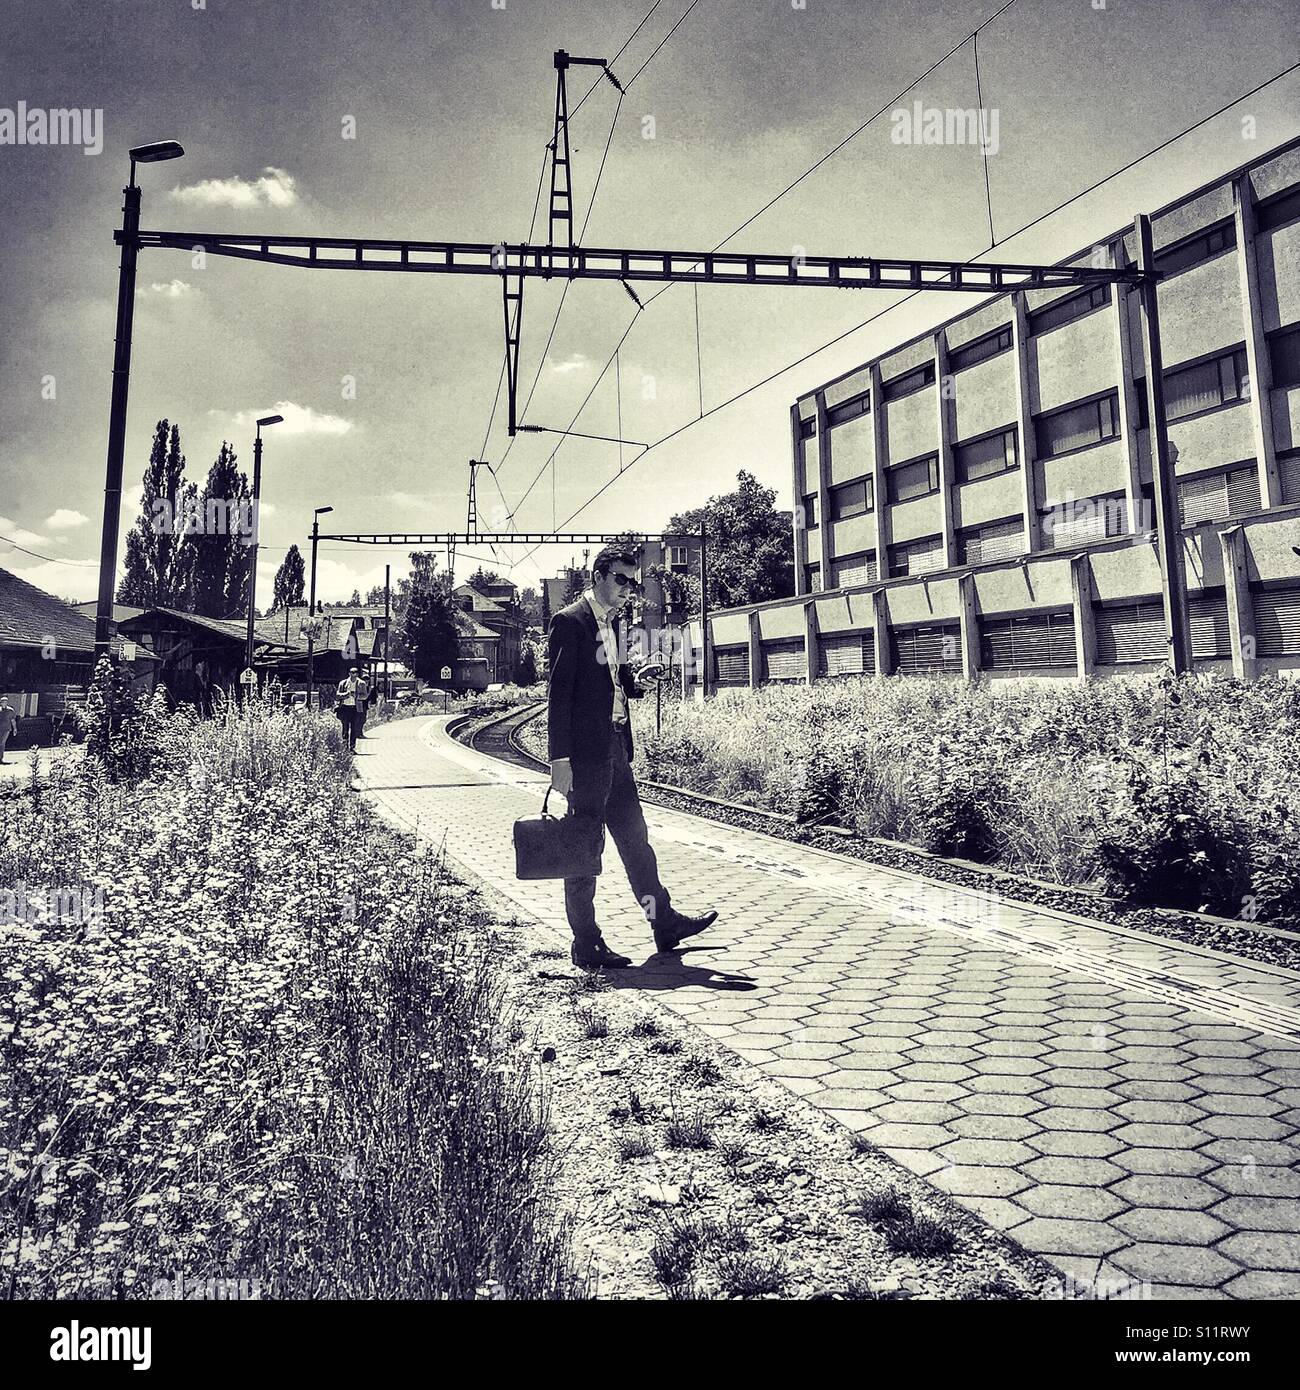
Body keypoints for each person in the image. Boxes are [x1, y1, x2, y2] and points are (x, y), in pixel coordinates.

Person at [547, 542, 717, 969]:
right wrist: (559, 760)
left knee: (636, 843)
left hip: (615, 748)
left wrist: (635, 679)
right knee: (586, 849)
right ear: (599, 575)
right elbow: (559, 696)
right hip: (585, 757)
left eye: (633, 582)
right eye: (621, 580)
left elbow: (613, 678)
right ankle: (586, 944)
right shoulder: (570, 623)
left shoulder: (615, 625)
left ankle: (664, 923)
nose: (629, 590)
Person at [335, 666, 368, 751]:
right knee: (345, 727)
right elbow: (338, 695)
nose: (354, 674)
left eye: (356, 673)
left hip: (355, 708)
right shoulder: (343, 683)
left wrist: (356, 696)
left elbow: (365, 696)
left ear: (357, 674)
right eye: (352, 672)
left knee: (354, 728)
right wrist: (346, 694)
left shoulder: (362, 683)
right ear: (349, 673)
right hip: (345, 707)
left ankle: (352, 747)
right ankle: (345, 747)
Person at [0, 695, 17, 764]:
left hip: (7, 729)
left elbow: (13, 720)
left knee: (2, 743)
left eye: (5, 702)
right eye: (2, 702)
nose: (4, 703)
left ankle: (0, 758)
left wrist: (15, 729)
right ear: (0, 703)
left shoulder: (10, 710)